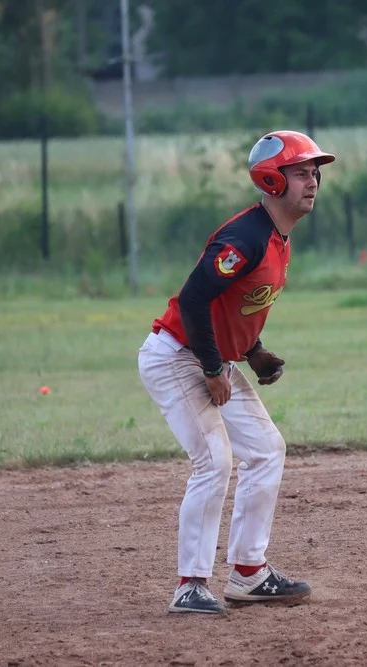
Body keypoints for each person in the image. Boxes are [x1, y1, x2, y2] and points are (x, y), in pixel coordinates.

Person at [137, 130, 335, 614]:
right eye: (301, 173)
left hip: (213, 358)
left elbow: (235, 306)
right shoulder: (243, 237)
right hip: (177, 357)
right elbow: (193, 299)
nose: (312, 182)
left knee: (266, 450)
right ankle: (190, 586)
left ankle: (248, 573)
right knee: (215, 461)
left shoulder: (276, 237)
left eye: (315, 173)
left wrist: (254, 350)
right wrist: (212, 367)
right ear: (272, 179)